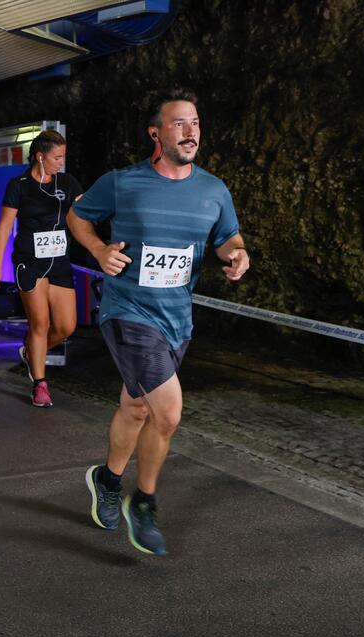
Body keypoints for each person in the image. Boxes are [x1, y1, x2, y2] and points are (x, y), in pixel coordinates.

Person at [67, 88, 250, 556]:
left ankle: (106, 481)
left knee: (137, 408)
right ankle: (143, 502)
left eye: (195, 123)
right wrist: (99, 250)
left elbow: (228, 237)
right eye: (178, 123)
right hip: (128, 311)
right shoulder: (122, 182)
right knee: (167, 411)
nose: (190, 132)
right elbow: (78, 217)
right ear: (156, 132)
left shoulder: (213, 189)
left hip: (177, 319)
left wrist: (236, 256)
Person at [0, 130, 83, 407]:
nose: (61, 163)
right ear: (40, 157)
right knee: (40, 323)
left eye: (63, 157)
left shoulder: (67, 182)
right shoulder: (18, 185)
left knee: (66, 326)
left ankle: (31, 352)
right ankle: (40, 385)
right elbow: (5, 227)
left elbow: (84, 213)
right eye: (57, 157)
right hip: (29, 262)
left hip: (60, 262)